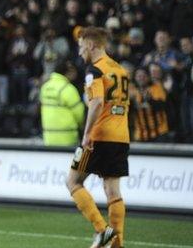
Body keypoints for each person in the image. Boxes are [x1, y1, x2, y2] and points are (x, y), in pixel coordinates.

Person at [66, 27, 128, 248]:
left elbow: (97, 103)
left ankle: (102, 231)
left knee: (72, 181)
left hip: (97, 137)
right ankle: (117, 242)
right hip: (120, 137)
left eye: (81, 45)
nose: (80, 51)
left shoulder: (94, 70)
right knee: (113, 190)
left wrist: (86, 134)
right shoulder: (120, 69)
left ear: (91, 45)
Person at [39, 61, 84, 146]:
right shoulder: (68, 89)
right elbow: (80, 115)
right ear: (69, 71)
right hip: (67, 137)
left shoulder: (45, 87)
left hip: (48, 137)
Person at [129, 67, 169, 141]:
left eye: (144, 76)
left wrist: (149, 99)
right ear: (135, 78)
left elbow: (162, 107)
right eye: (139, 76)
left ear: (148, 77)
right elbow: (127, 112)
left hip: (159, 133)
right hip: (140, 135)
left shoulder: (157, 88)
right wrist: (130, 102)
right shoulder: (132, 91)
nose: (141, 78)